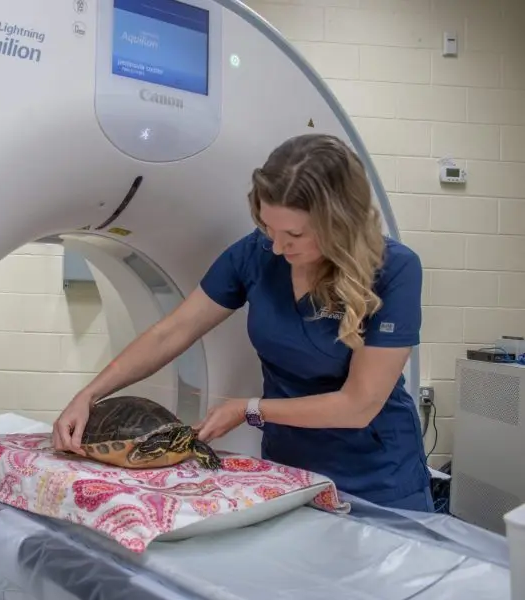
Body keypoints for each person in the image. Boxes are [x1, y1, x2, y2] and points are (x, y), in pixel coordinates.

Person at [51, 133, 434, 512]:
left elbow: (359, 404)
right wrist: (89, 395)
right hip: (288, 470)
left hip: (377, 477)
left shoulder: (394, 269)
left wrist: (249, 409)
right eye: (268, 227)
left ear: (340, 223)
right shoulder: (256, 252)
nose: (278, 247)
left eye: (295, 234)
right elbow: (173, 331)